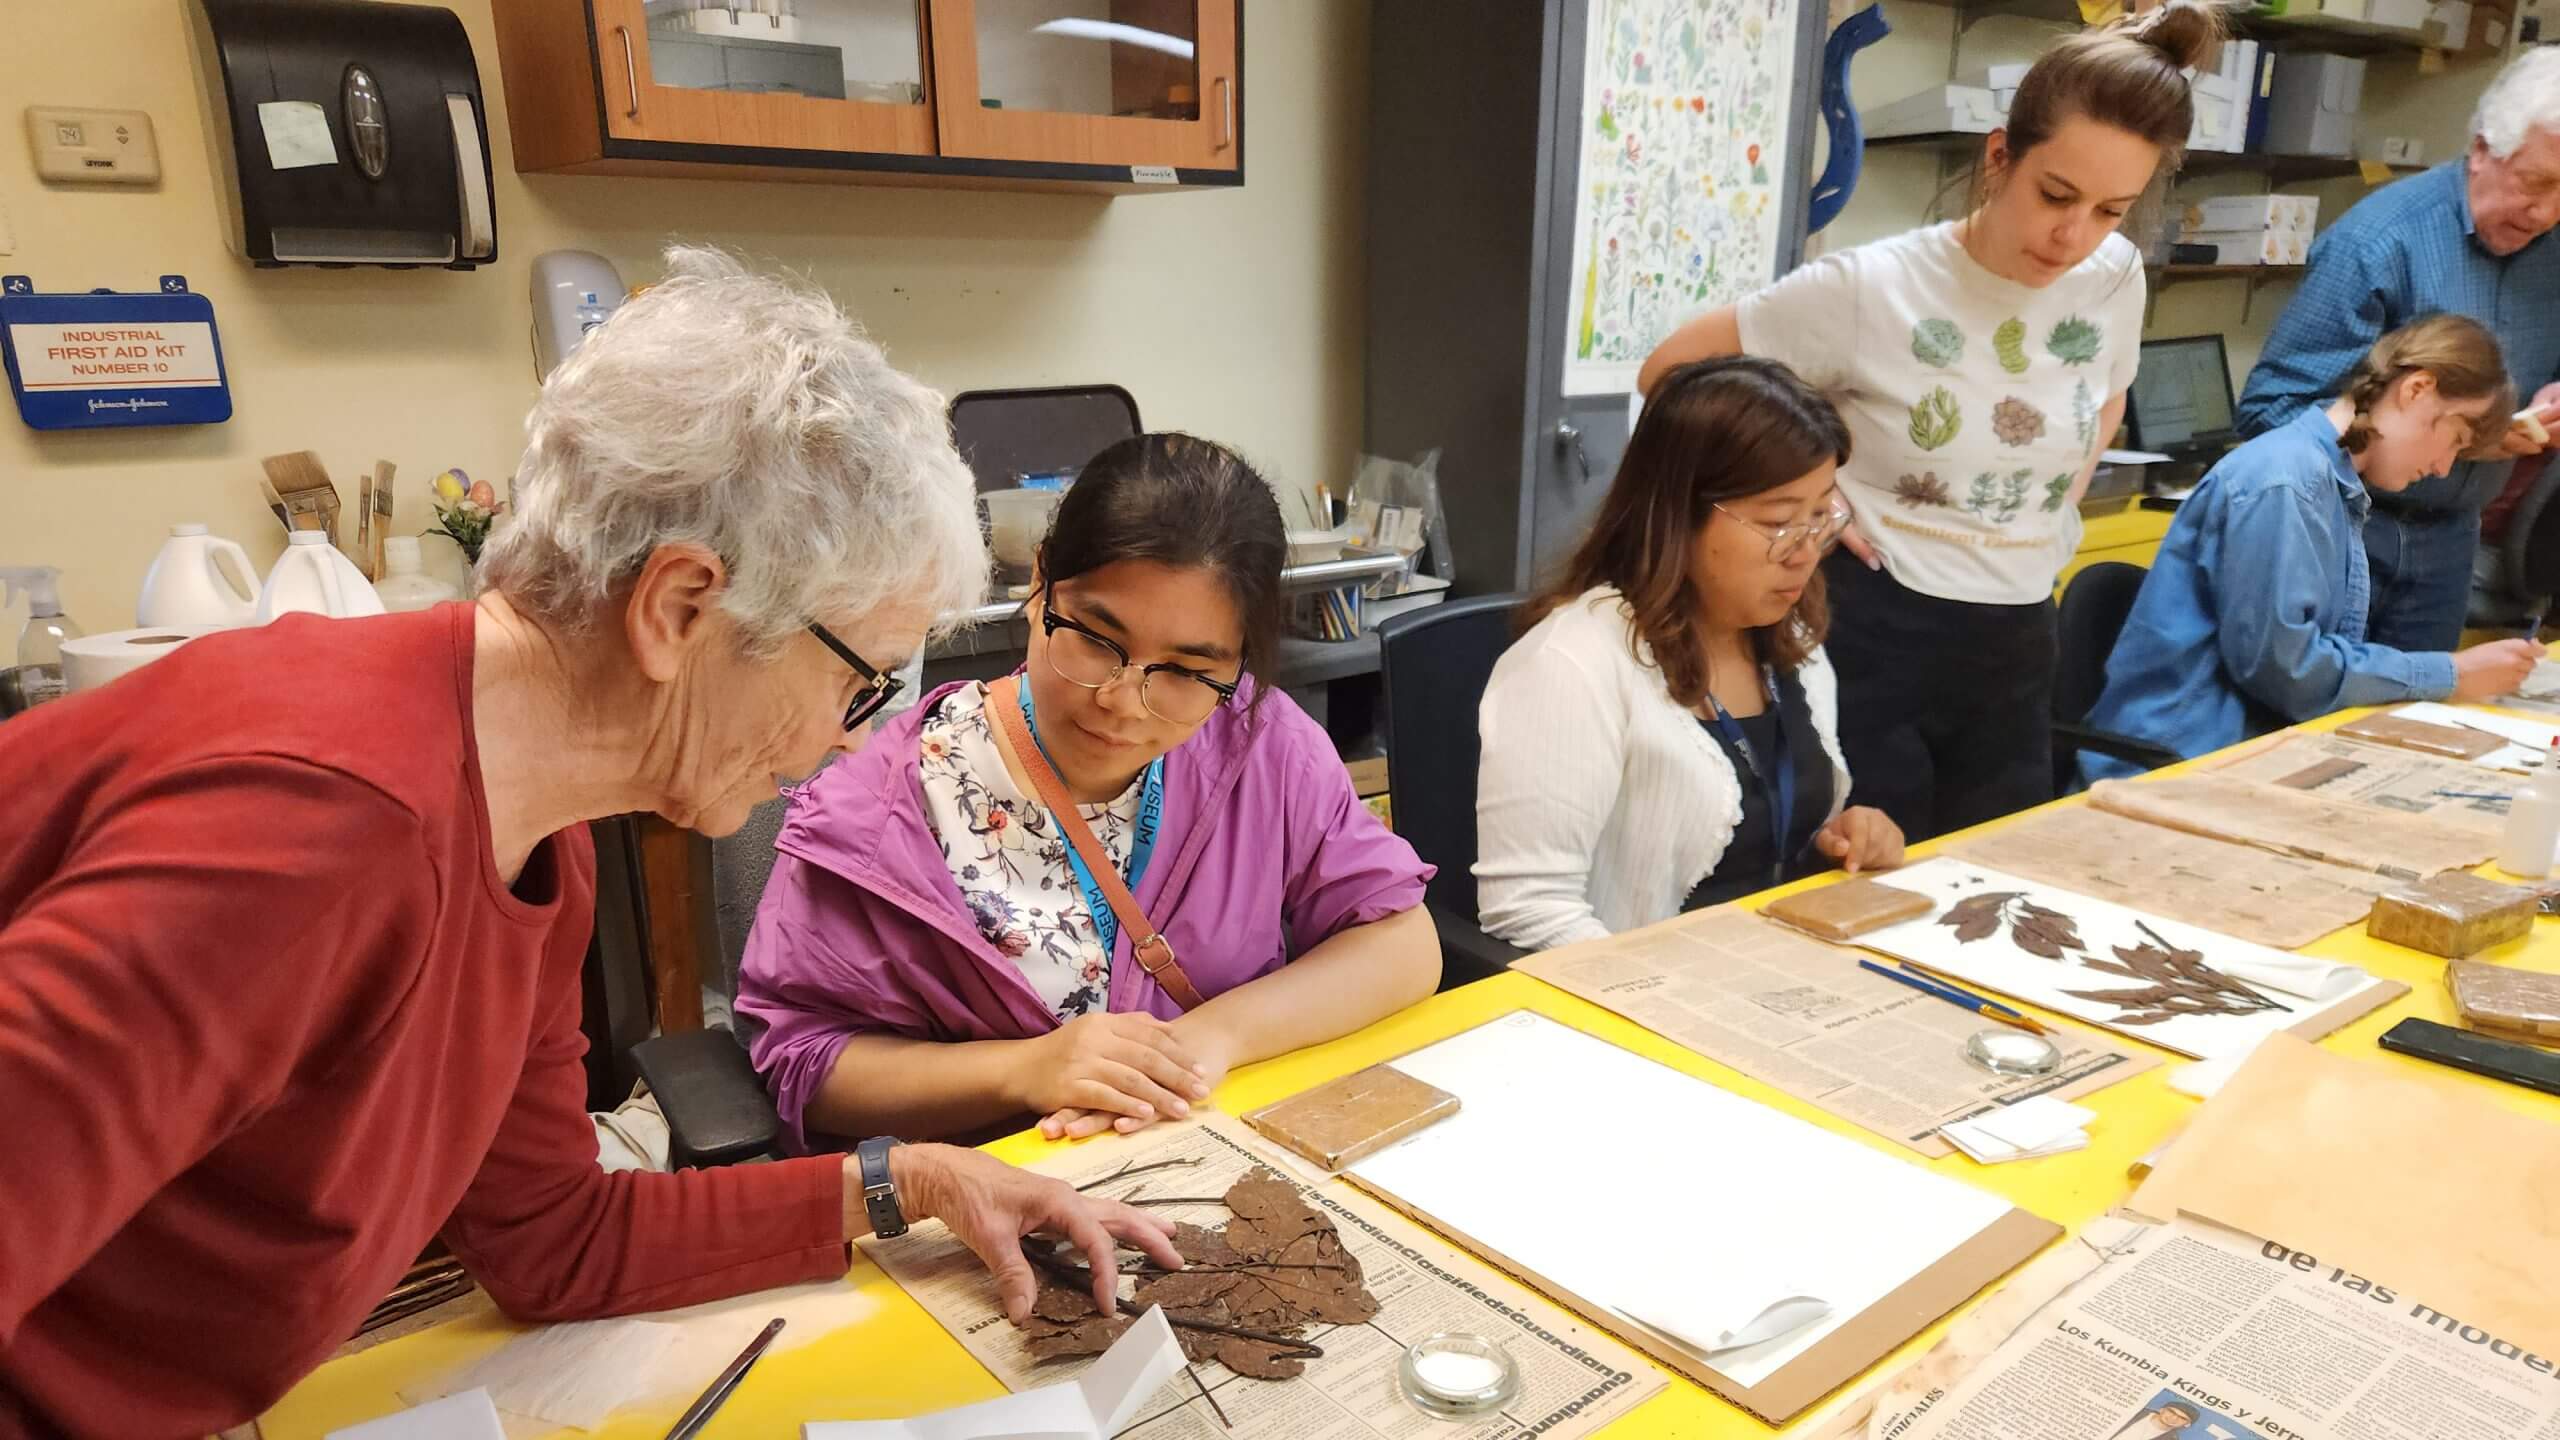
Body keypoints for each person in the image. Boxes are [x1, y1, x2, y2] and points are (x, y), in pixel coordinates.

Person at [0, 250, 1183, 1439]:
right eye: (861, 683)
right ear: (680, 609)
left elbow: (548, 1237)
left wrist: (905, 1181)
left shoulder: (536, 828)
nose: (841, 743)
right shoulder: (321, 829)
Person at [737, 434, 1439, 1150]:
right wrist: (1024, 1071)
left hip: (1207, 1169)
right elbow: (802, 1065)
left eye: (1186, 672)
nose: (1123, 701)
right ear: (1041, 584)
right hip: (990, 1206)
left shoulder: (1262, 749)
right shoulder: (883, 809)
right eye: (1097, 639)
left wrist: (1211, 1038)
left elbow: (1401, 940)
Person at [1635, 4, 2222, 840]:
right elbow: (1671, 376)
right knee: (1864, 894)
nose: (2073, 235)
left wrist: (2050, 509)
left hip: (2021, 631)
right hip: (1874, 626)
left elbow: (2111, 392)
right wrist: (1815, 504)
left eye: (2109, 210)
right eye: (2055, 194)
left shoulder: (2115, 277)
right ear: (1999, 156)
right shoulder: (1871, 288)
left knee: (1996, 887)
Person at [1474, 357, 1906, 950]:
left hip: (1781, 969)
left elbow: (1767, 832)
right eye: (1779, 522)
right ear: (1677, 515)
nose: (1805, 553)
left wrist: (1846, 835)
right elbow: (1529, 911)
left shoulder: (1790, 642)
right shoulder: (1572, 662)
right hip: (1636, 1000)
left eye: (1819, 516)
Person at [2085, 316, 2540, 781]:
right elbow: (2288, 671)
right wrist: (2449, 674)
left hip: (2243, 750)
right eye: (2455, 440)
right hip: (2184, 761)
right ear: (2417, 389)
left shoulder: (2330, 481)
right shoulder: (2286, 483)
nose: (2443, 469)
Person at [2235, 48, 2560, 652]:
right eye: (2536, 183)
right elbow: (2269, 415)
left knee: (2416, 730)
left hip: (2453, 540)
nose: (2547, 212)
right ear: (2483, 148)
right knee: (2311, 723)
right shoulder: (2378, 243)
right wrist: (2438, 437)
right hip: (2350, 527)